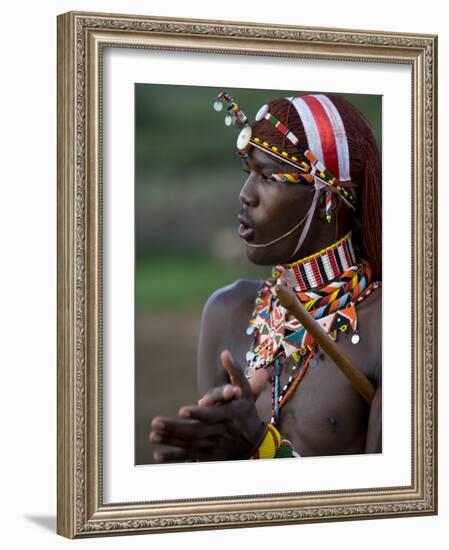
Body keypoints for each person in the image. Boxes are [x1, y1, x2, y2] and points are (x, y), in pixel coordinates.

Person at [148, 91, 382, 462]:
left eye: (269, 177)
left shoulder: (389, 328)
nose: (246, 195)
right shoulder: (227, 311)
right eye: (249, 174)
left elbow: (385, 507)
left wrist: (261, 448)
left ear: (328, 199)